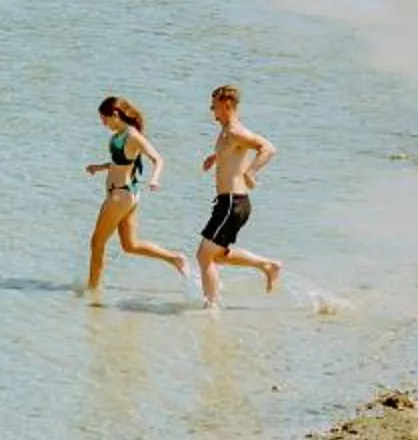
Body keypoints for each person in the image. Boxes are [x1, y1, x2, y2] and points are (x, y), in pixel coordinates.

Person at [84, 96, 189, 300]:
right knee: (130, 245)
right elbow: (121, 163)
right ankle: (175, 258)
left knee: (97, 243)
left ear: (115, 114)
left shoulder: (132, 135)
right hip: (126, 194)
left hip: (120, 195)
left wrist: (155, 179)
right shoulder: (119, 134)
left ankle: (92, 291)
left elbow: (158, 159)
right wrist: (99, 167)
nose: (103, 123)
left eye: (104, 118)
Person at [192, 84, 285, 309]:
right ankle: (267, 265)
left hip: (232, 203)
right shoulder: (227, 131)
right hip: (229, 203)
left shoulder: (235, 131)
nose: (211, 110)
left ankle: (211, 307)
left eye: (214, 106)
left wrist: (251, 172)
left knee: (204, 256)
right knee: (216, 254)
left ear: (226, 105)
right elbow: (233, 151)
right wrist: (215, 157)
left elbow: (268, 148)